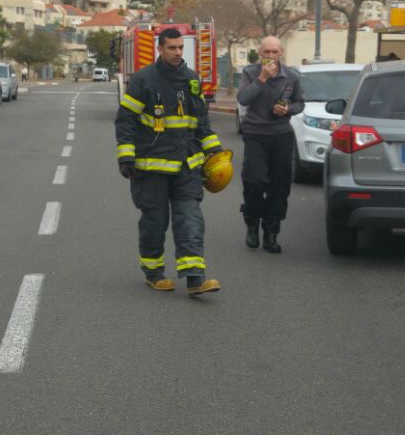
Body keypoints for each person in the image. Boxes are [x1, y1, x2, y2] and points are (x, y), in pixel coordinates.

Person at [115, 27, 224, 297]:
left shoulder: (191, 79)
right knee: (155, 220)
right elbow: (125, 120)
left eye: (180, 48)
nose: (177, 52)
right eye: (172, 48)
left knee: (190, 217)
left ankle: (195, 278)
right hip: (151, 167)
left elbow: (201, 121)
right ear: (160, 49)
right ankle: (153, 272)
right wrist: (126, 156)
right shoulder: (143, 80)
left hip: (187, 164)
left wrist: (215, 152)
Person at [236, 36, 306, 253]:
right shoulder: (250, 72)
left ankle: (272, 231)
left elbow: (300, 103)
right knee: (254, 181)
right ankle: (252, 223)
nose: (270, 56)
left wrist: (288, 110)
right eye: (266, 52)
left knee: (279, 185)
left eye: (274, 52)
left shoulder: (292, 76)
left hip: (281, 134)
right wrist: (262, 78)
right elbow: (243, 99)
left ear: (281, 53)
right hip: (255, 134)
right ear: (260, 52)